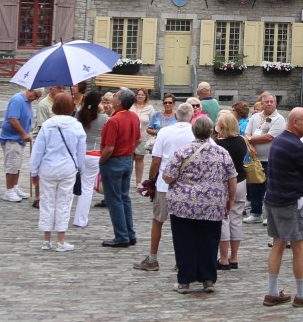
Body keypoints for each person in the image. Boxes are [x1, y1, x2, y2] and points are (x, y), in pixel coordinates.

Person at [163, 115, 238, 294]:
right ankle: (208, 279)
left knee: (184, 241)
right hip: (212, 203)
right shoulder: (221, 152)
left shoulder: (183, 151)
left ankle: (185, 281)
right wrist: (230, 200)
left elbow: (168, 176)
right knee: (210, 241)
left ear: (194, 131)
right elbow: (232, 178)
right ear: (211, 131)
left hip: (184, 204)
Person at [262, 107, 303, 307]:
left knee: (278, 244)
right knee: (299, 246)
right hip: (290, 201)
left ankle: (271, 292)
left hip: (273, 199)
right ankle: (302, 295)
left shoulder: (279, 140)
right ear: (295, 122)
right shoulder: (297, 146)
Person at [134, 102, 196, 273]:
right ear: (191, 116)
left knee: (158, 220)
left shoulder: (164, 132)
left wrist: (151, 180)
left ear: (176, 115)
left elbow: (156, 159)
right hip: (187, 184)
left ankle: (153, 258)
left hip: (164, 183)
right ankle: (182, 260)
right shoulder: (195, 132)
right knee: (184, 224)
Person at [30, 94, 87, 252]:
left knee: (47, 202)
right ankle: (61, 240)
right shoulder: (76, 126)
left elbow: (38, 150)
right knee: (64, 203)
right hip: (67, 167)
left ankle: (46, 239)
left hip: (47, 167)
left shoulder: (48, 125)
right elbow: (81, 152)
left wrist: (33, 171)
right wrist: (80, 168)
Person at [98, 87, 141, 247]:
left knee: (114, 199)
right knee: (124, 198)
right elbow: (137, 140)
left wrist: (101, 161)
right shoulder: (133, 117)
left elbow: (109, 147)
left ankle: (121, 236)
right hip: (127, 159)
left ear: (120, 102)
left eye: (115, 96)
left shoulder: (114, 120)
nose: (113, 97)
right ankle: (130, 233)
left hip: (113, 161)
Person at [212, 111, 252, 271]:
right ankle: (234, 257)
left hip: (224, 183)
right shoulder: (241, 141)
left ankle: (223, 258)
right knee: (236, 219)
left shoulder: (217, 144)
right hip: (241, 181)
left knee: (223, 219)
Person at [243, 92, 286, 222]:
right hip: (255, 159)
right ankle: (255, 213)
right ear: (261, 103)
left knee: (269, 188)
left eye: (271, 102)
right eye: (266, 102)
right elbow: (246, 133)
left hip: (271, 159)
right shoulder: (255, 117)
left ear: (275, 104)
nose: (269, 104)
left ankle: (269, 215)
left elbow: (270, 137)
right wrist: (250, 142)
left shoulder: (279, 119)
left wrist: (251, 139)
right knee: (255, 186)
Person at [71, 91, 105, 231]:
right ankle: (80, 218)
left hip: (79, 152)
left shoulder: (78, 115)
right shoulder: (104, 119)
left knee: (71, 186)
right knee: (87, 188)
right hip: (94, 153)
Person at [0, 88, 38, 202]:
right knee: (12, 164)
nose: (36, 99)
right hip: (12, 138)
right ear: (30, 91)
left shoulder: (28, 102)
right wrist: (23, 133)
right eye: (36, 96)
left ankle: (15, 187)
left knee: (17, 164)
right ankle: (9, 190)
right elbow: (13, 119)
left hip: (19, 139)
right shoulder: (18, 100)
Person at [131, 88, 159, 183]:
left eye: (142, 95)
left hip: (143, 136)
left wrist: (152, 132)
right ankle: (126, 180)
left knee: (139, 157)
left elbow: (154, 121)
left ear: (146, 96)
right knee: (129, 158)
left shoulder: (150, 108)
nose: (140, 96)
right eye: (138, 94)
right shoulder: (131, 106)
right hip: (130, 136)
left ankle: (138, 182)